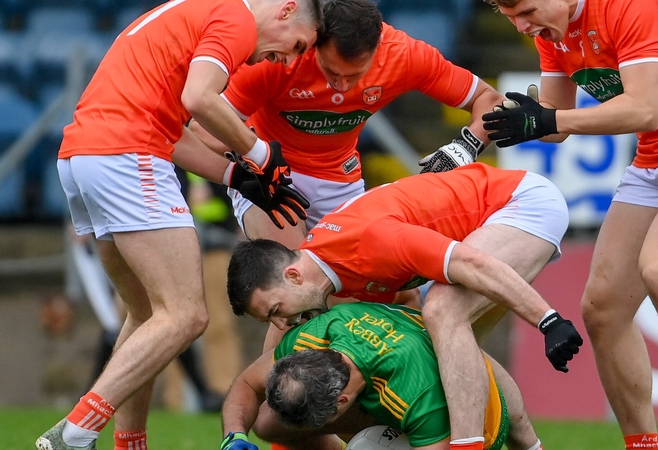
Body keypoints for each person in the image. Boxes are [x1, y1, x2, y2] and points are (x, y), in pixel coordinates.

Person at [36, 0, 323, 449]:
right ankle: (74, 433)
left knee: (148, 314)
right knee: (186, 315)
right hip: (127, 156)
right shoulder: (235, 19)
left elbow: (172, 127)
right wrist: (262, 154)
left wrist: (235, 176)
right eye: (297, 46)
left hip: (83, 157)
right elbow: (199, 99)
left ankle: (130, 443)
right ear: (286, 10)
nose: (286, 60)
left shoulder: (193, 13)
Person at [481, 1, 658, 449]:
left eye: (527, 10)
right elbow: (555, 122)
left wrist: (548, 118)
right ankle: (642, 445)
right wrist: (516, 119)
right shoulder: (551, 33)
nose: (520, 25)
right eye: (508, 16)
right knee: (602, 308)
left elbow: (644, 110)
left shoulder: (628, 6)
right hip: (655, 158)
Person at [226, 163, 584, 450]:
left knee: (443, 310)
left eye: (275, 311)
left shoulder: (367, 243)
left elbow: (471, 264)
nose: (284, 322)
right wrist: (250, 430)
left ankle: (466, 445)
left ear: (293, 276)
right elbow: (266, 376)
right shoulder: (328, 275)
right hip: (479, 230)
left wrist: (548, 321)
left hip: (522, 203)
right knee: (449, 347)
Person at [187, 0, 507, 256]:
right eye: (330, 70)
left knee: (372, 296)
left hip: (339, 179)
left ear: (378, 50)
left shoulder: (405, 55)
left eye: (353, 75)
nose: (339, 86)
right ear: (314, 42)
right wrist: (250, 154)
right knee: (293, 281)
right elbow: (203, 126)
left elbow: (488, 98)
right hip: (269, 174)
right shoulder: (283, 57)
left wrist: (465, 147)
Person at [219, 301, 544, 450]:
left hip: (475, 426)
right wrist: (234, 436)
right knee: (265, 422)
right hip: (385, 388)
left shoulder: (415, 393)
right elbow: (247, 383)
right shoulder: (311, 334)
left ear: (341, 401)